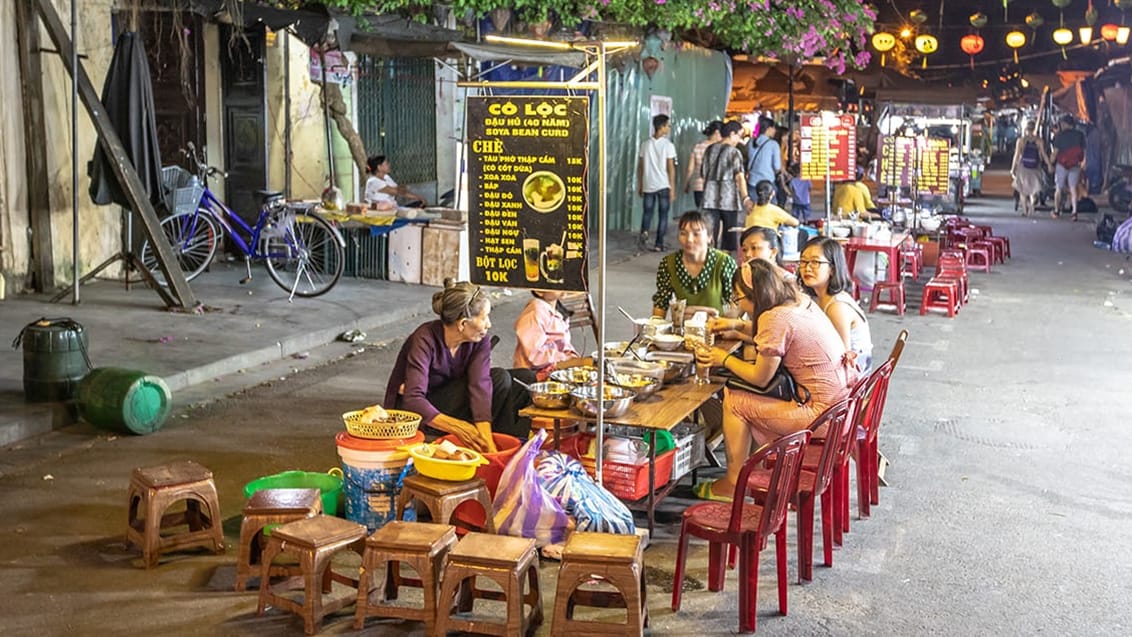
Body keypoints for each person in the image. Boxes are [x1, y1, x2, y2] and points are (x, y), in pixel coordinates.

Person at [692, 259, 857, 501]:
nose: (740, 306)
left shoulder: (775, 317)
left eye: (739, 299)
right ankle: (752, 469)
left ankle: (734, 482)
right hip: (840, 408)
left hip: (821, 416)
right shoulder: (799, 300)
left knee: (735, 400)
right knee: (744, 393)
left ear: (756, 296)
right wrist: (738, 328)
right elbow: (778, 336)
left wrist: (723, 358)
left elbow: (760, 378)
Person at [384, 279, 533, 452]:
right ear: (463, 324)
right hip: (419, 411)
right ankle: (480, 443)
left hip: (452, 398)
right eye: (484, 317)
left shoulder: (479, 339)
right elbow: (413, 399)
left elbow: (480, 385)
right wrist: (459, 427)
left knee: (525, 379)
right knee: (499, 378)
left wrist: (486, 440)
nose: (489, 324)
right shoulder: (424, 339)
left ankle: (503, 446)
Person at [797, 237, 873, 373]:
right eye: (803, 261)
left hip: (851, 379)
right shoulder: (817, 298)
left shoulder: (836, 307)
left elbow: (840, 357)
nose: (807, 268)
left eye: (815, 262)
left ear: (832, 269)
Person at [652, 210, 738, 319]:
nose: (689, 239)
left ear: (709, 237)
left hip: (717, 330)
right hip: (680, 332)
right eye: (683, 233)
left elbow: (736, 305)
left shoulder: (724, 263)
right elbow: (661, 303)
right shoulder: (668, 264)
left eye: (696, 234)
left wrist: (721, 322)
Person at [513, 290, 592, 379]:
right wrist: (566, 359)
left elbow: (565, 345)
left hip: (557, 365)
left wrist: (572, 358)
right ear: (539, 291)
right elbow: (535, 357)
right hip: (535, 374)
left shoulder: (557, 310)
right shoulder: (535, 312)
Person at [700, 120, 753, 251]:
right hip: (729, 199)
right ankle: (725, 263)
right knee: (729, 233)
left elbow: (703, 174)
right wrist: (745, 198)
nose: (739, 139)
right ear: (732, 134)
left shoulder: (709, 149)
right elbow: (739, 176)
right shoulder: (734, 152)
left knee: (711, 232)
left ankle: (710, 259)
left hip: (709, 198)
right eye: (739, 135)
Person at [638, 114, 678, 252]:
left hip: (648, 184)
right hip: (663, 185)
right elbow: (670, 168)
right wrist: (672, 187)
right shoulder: (668, 145)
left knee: (647, 213)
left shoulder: (645, 144)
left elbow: (641, 166)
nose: (669, 128)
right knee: (663, 215)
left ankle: (644, 234)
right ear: (661, 127)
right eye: (668, 125)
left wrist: (640, 184)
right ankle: (658, 244)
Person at [1011, 121, 1051, 217]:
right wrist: (1049, 164)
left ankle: (1025, 210)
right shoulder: (1039, 141)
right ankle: (1032, 207)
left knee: (1023, 191)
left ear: (1026, 129)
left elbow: (1016, 156)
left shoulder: (1021, 141)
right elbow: (1044, 155)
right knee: (1034, 189)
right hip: (1035, 167)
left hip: (1023, 168)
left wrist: (1013, 168)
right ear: (1034, 129)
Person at [1050, 115, 1086, 221]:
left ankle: (1056, 211)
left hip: (1062, 165)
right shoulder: (1080, 135)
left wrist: (1050, 163)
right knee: (1073, 188)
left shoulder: (1059, 136)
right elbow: (1083, 151)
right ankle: (1074, 212)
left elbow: (1055, 153)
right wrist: (1083, 164)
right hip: (1075, 165)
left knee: (1059, 188)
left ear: (1065, 124)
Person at [684, 120, 722, 208]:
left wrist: (686, 184)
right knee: (713, 215)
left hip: (699, 186)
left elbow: (690, 168)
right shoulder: (720, 149)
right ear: (717, 132)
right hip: (715, 187)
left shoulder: (698, 147)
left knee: (701, 213)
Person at [747, 116, 783, 199]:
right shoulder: (773, 144)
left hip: (752, 181)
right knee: (770, 209)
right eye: (774, 128)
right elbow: (777, 167)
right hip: (768, 182)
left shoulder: (751, 142)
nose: (775, 131)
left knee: (754, 209)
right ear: (769, 129)